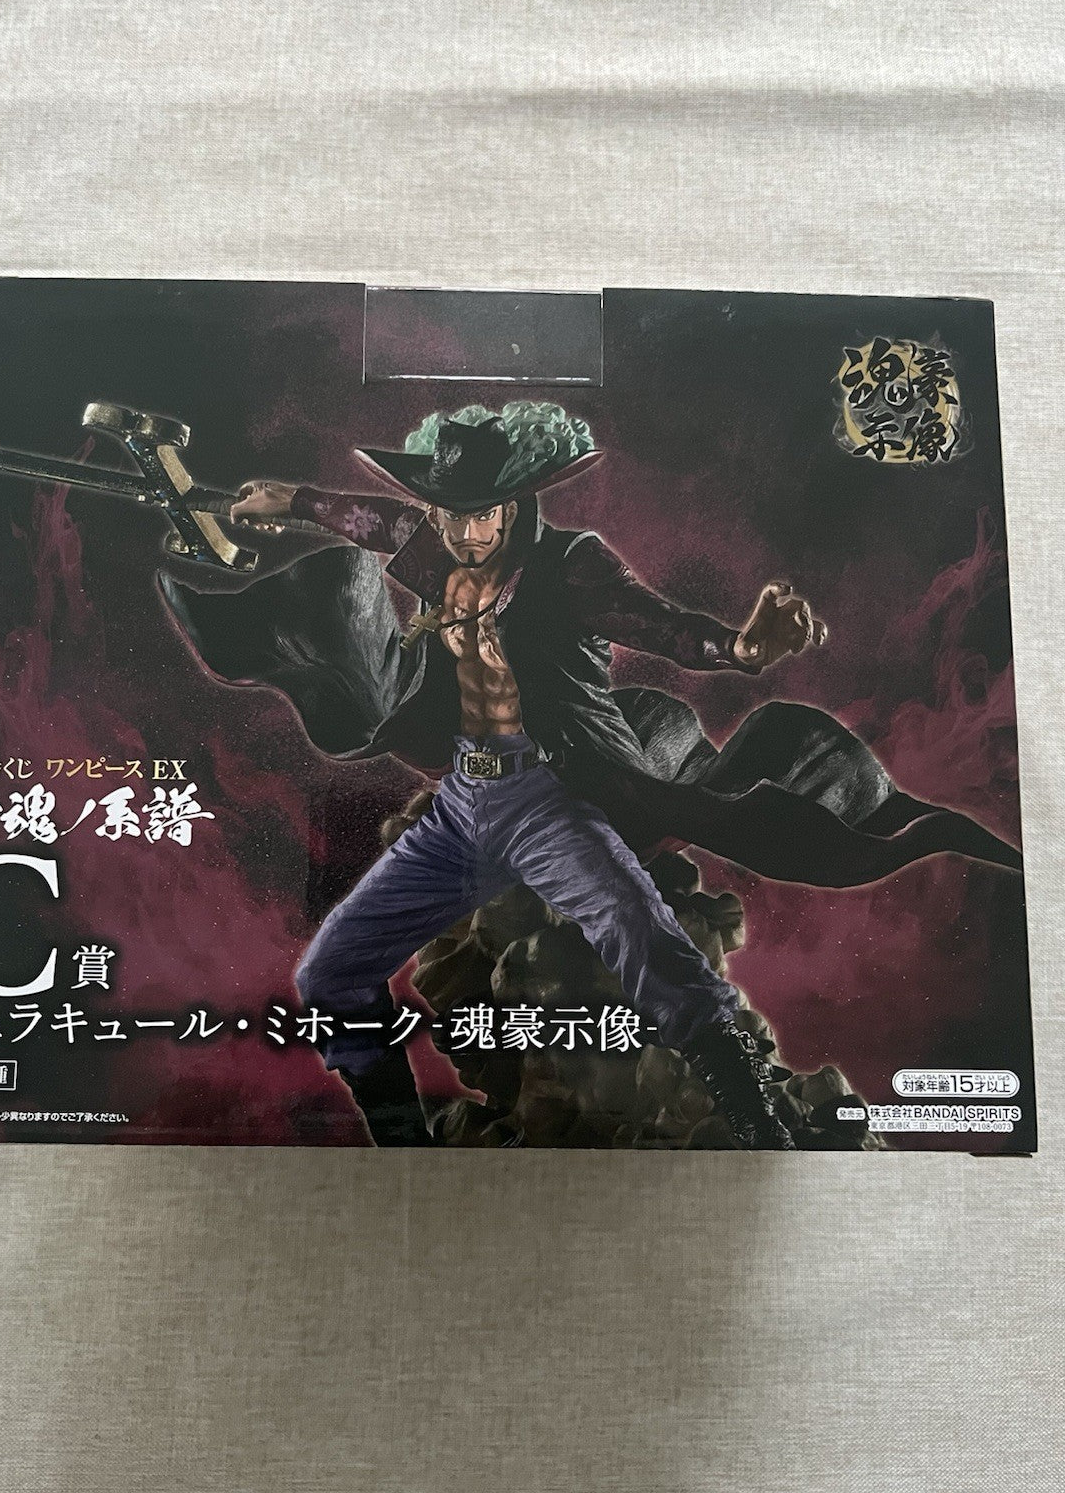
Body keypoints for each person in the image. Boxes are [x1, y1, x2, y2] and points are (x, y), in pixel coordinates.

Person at [161, 402, 1020, 1148]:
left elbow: (661, 625)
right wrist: (288, 500)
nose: (464, 534)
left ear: (514, 505)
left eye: (481, 515)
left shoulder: (569, 568)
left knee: (642, 935)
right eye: (448, 514)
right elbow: (369, 520)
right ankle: (399, 1139)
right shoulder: (435, 550)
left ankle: (758, 1121)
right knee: (329, 973)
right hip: (462, 807)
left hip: (546, 798)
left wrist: (742, 646)